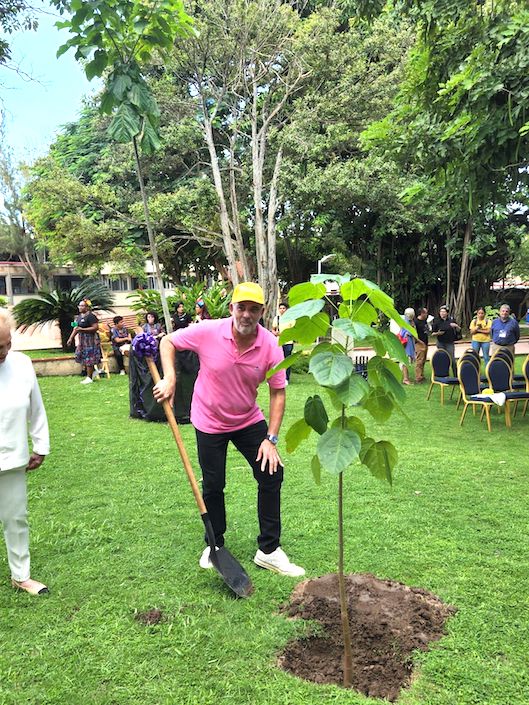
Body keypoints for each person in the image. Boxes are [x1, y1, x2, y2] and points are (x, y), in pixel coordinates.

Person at [153, 281, 304, 577]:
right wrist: (170, 378)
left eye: (254, 309)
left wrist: (271, 439)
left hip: (247, 419)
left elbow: (278, 392)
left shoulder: (270, 346)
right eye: (241, 307)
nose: (246, 314)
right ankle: (215, 544)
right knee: (213, 484)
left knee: (271, 472)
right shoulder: (209, 331)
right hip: (209, 421)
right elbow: (168, 341)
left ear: (262, 311)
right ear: (232, 308)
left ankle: (269, 551)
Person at [0, 308, 50, 595]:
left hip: (12, 456)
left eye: (8, 344)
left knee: (15, 517)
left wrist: (40, 446)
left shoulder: (21, 364)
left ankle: (21, 575)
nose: (5, 351)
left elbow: (36, 408)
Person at [67, 298, 102, 384]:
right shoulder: (78, 317)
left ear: (87, 307)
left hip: (90, 340)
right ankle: (93, 373)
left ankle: (89, 377)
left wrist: (82, 329)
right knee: (81, 355)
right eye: (79, 305)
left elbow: (95, 327)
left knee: (89, 358)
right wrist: (70, 338)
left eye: (82, 305)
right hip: (82, 340)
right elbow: (75, 328)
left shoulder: (91, 316)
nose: (80, 307)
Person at [431, 306, 460, 375]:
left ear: (447, 313)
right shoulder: (436, 321)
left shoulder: (451, 320)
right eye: (441, 312)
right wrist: (438, 333)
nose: (442, 313)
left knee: (452, 359)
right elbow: (432, 333)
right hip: (440, 342)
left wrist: (456, 326)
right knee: (443, 359)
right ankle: (444, 374)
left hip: (450, 342)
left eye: (444, 312)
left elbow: (459, 330)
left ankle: (456, 375)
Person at [272, 302, 294, 383]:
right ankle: (277, 378)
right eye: (280, 308)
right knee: (277, 360)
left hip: (288, 342)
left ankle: (286, 378)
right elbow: (273, 329)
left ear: (287, 309)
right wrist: (275, 333)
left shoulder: (291, 318)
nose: (282, 310)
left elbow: (293, 330)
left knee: (287, 360)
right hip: (279, 342)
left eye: (283, 308)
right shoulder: (276, 318)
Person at [399, 308, 416, 385]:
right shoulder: (406, 322)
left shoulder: (409, 321)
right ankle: (405, 379)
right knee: (405, 361)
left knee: (407, 361)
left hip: (409, 344)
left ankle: (406, 378)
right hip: (406, 344)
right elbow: (405, 333)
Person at [414, 307, 429, 383]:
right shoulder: (416, 322)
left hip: (425, 343)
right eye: (425, 313)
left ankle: (421, 375)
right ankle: (418, 377)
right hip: (419, 344)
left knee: (423, 360)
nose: (427, 314)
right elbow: (414, 335)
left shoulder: (425, 321)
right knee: (419, 361)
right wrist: (420, 342)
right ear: (422, 313)